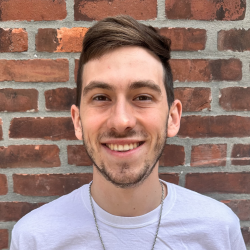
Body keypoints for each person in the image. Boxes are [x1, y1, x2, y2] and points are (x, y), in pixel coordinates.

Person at [10, 15, 246, 250]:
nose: (121, 121)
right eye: (101, 97)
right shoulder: (35, 238)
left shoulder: (219, 232)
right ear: (78, 121)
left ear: (172, 118)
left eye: (143, 97)